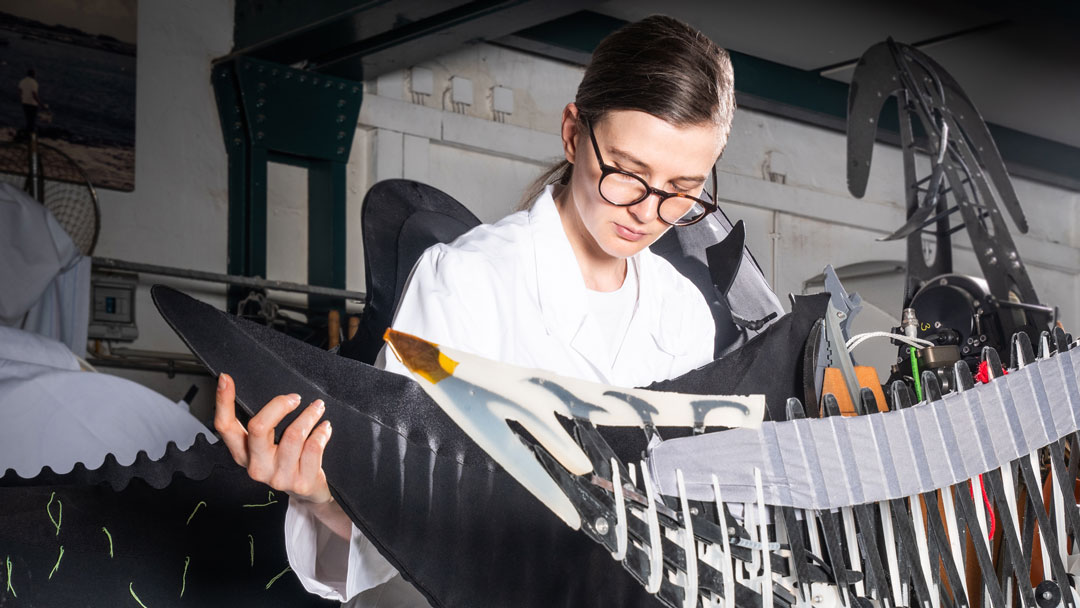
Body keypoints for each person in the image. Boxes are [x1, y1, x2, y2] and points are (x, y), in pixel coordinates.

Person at [214, 14, 737, 607]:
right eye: (627, 173)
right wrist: (322, 496)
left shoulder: (686, 312)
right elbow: (409, 516)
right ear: (572, 133)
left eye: (683, 189)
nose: (648, 211)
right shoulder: (466, 282)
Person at [18, 68, 42, 135]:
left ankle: (26, 134)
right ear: (33, 74)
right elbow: (34, 95)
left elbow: (19, 91)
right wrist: (40, 104)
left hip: (24, 103)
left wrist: (22, 99)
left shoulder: (22, 81)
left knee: (28, 120)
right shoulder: (34, 83)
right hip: (32, 104)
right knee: (32, 121)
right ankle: (30, 137)